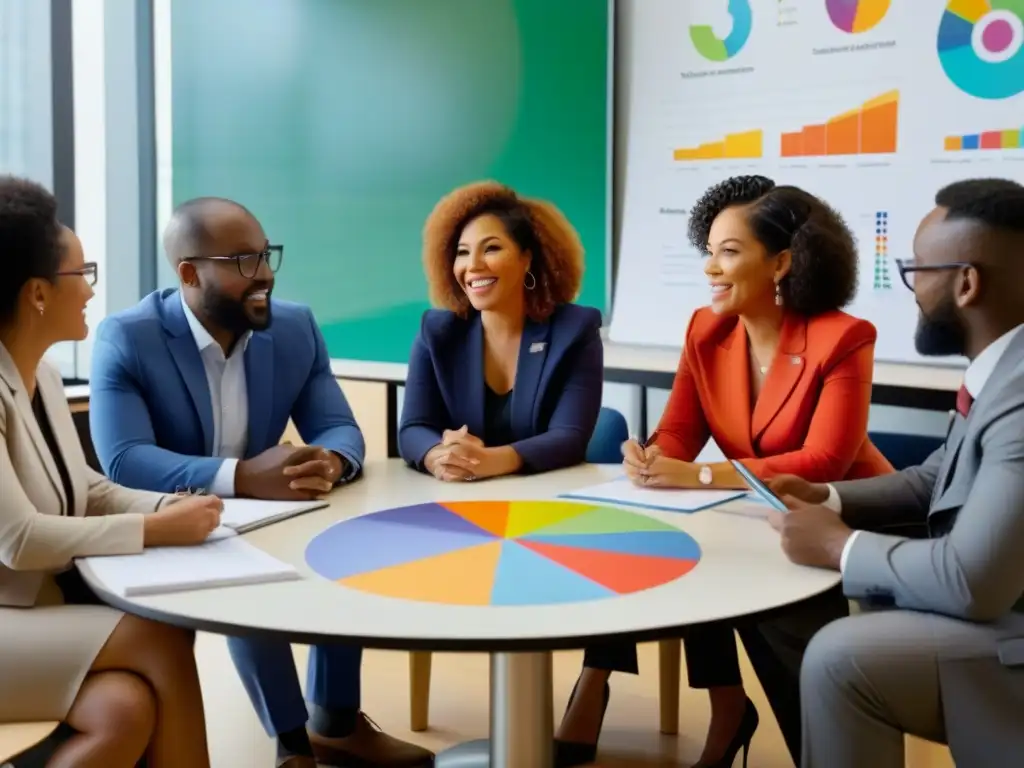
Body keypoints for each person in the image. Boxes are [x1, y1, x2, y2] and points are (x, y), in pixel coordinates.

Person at [555, 175, 894, 768]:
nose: (711, 268)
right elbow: (681, 432)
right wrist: (655, 455)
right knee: (660, 548)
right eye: (708, 251)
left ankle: (820, 750)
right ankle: (727, 706)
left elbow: (824, 462)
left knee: (772, 612)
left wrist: (702, 477)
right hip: (761, 517)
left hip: (846, 519)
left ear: (783, 262)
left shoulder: (842, 337)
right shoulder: (706, 329)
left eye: (729, 253)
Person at [88, 197, 433, 768]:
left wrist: (331, 462)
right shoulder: (127, 337)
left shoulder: (294, 326)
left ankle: (337, 725)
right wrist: (240, 477)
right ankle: (294, 746)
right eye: (244, 260)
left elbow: (340, 427)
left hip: (270, 513)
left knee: (347, 543)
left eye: (267, 255)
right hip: (172, 524)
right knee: (239, 567)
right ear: (189, 273)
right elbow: (125, 460)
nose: (266, 273)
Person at [767, 177, 1024, 768]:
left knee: (840, 655)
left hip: (1010, 625)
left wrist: (840, 547)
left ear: (966, 283)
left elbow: (972, 582)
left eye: (918, 272)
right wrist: (828, 497)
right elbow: (938, 478)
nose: (911, 288)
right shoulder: (1001, 369)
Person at [0, 175, 220, 767]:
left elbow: (86, 489)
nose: (93, 292)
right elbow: (20, 541)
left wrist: (162, 507)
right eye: (83, 274)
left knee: (123, 709)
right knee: (159, 637)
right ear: (37, 293)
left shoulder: (41, 375)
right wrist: (156, 531)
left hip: (31, 614)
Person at [399, 180, 603, 480]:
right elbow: (413, 428)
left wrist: (489, 461)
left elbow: (569, 436)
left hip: (544, 499)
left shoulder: (574, 331)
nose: (473, 266)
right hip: (457, 502)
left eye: (491, 248)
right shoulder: (437, 332)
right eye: (462, 252)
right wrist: (438, 457)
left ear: (527, 258)